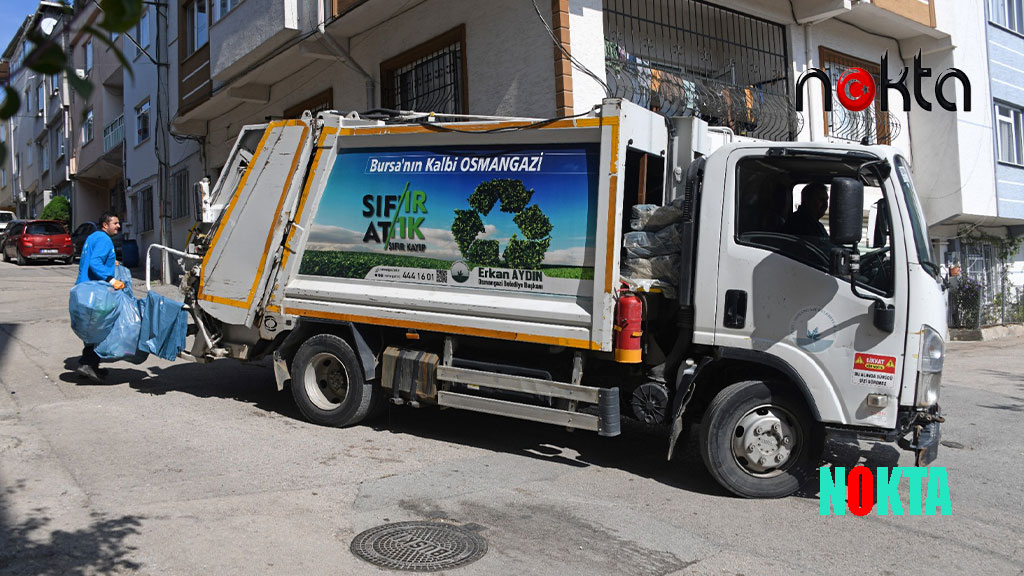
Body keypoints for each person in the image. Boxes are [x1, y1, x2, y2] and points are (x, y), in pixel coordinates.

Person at [74, 212, 125, 383]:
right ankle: (87, 364)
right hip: (95, 291)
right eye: (115, 223)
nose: (118, 226)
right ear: (105, 225)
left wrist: (112, 263)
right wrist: (111, 279)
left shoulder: (93, 236)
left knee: (93, 328)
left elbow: (91, 259)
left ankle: (90, 366)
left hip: (85, 289)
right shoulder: (104, 240)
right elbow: (95, 262)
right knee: (99, 329)